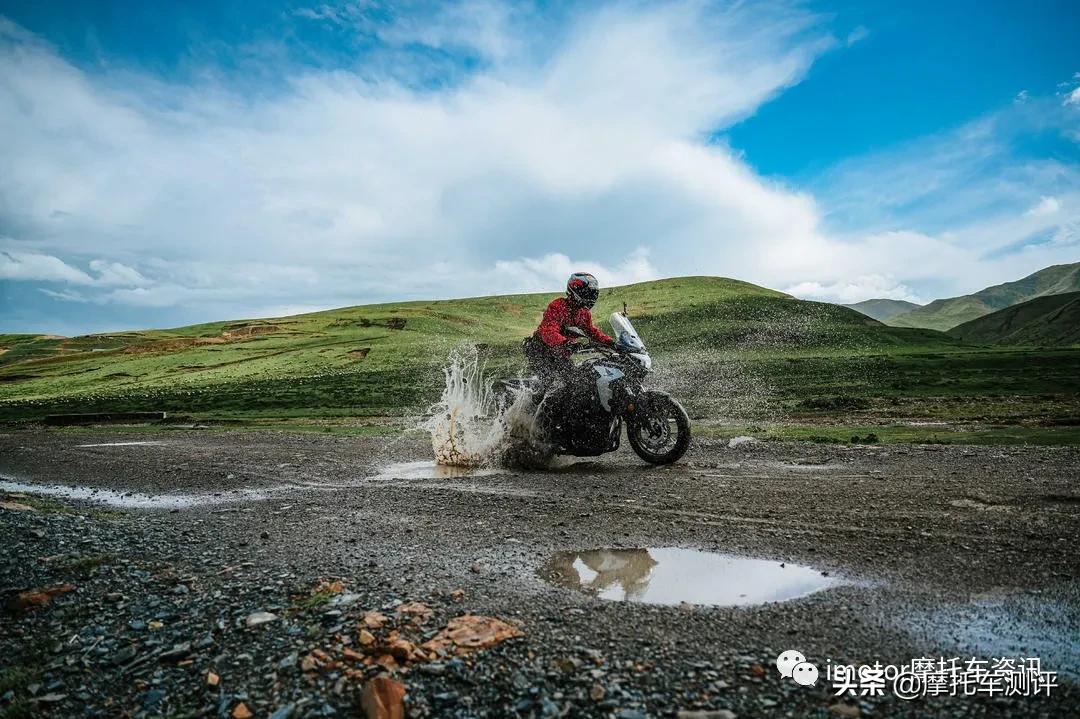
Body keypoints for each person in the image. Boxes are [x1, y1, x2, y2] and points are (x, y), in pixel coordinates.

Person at [523, 272, 614, 388]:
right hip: (541, 349)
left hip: (560, 354)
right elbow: (548, 331)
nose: (591, 298)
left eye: (593, 294)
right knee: (549, 382)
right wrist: (566, 343)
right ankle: (533, 398)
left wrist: (611, 342)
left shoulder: (584, 313)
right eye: (587, 293)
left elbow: (592, 332)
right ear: (575, 291)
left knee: (576, 381)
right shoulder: (558, 306)